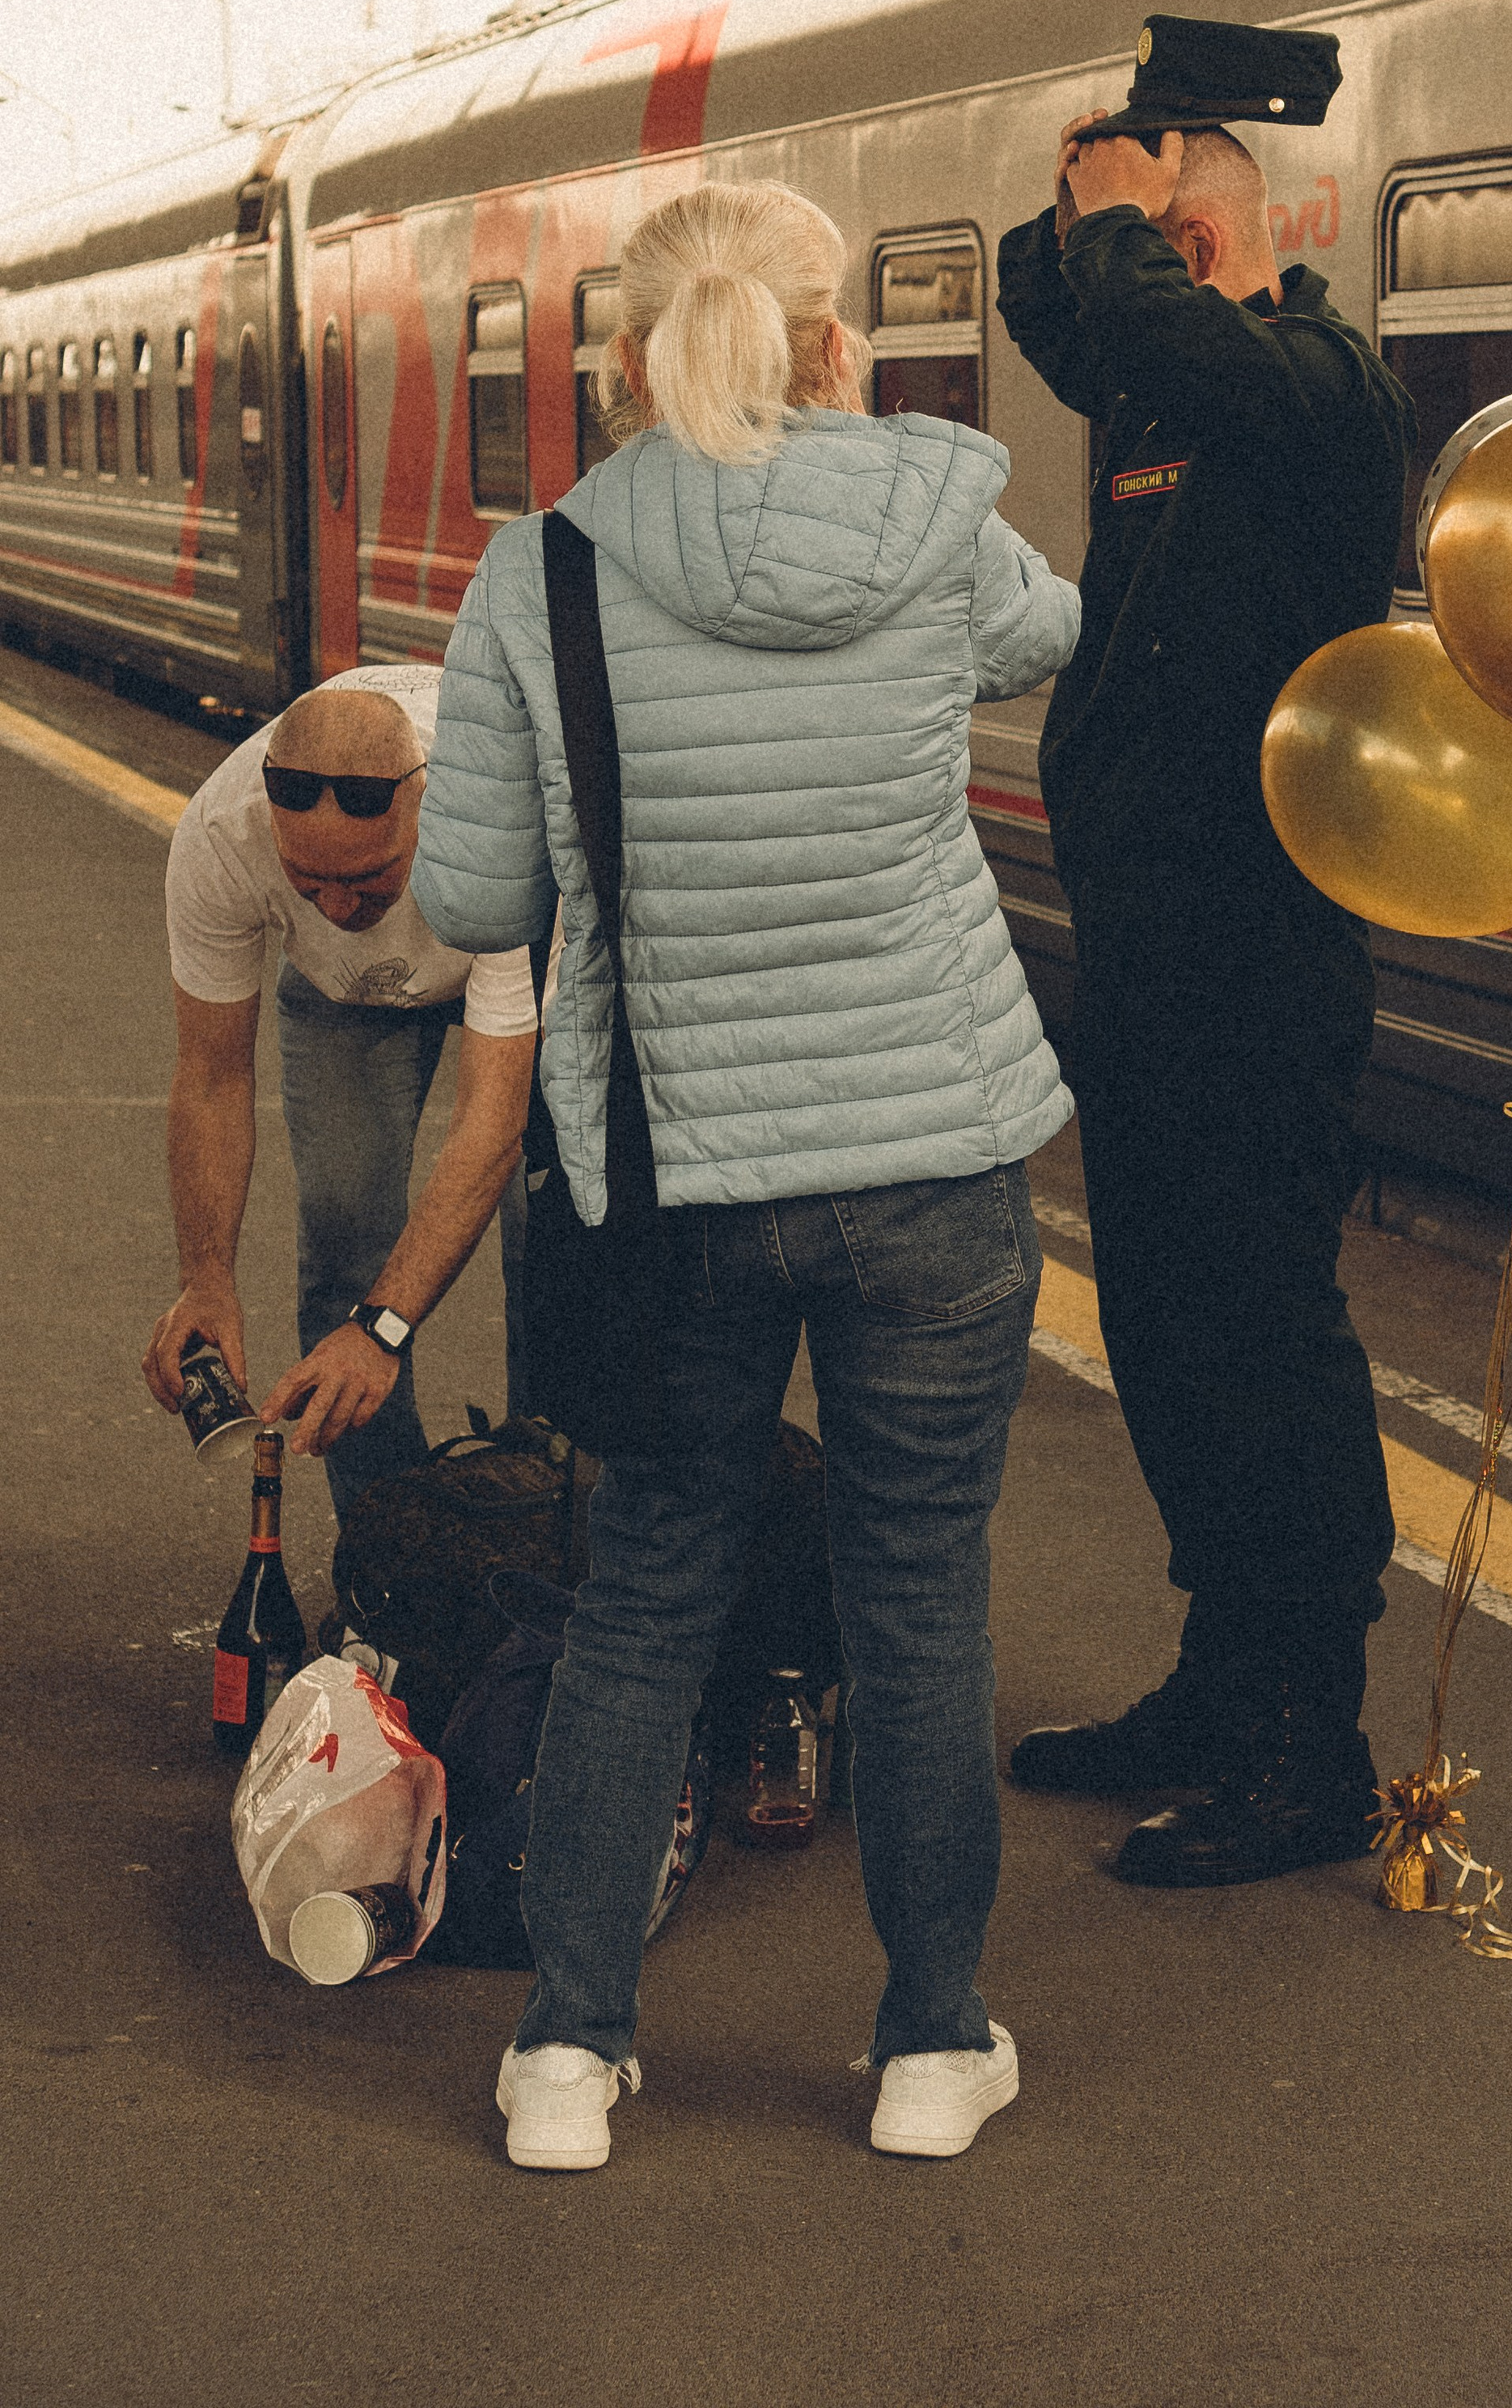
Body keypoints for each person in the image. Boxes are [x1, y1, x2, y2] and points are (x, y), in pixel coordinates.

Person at [410, 176, 1078, 2173]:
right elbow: (1046, 632)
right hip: (933, 1155)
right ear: (824, 339)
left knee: (644, 1596)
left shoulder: (538, 577)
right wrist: (857, 450)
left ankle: (566, 2053)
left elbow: (467, 894)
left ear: (618, 355)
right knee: (915, 1600)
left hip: (676, 1179)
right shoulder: (933, 522)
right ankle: (929, 2050)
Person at [994, 13, 1416, 1889]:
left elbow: (1138, 314)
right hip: (1154, 941)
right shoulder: (1164, 394)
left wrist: (1135, 222)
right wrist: (1085, 177)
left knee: (1257, 1333)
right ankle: (1210, 1674)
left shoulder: (1312, 382)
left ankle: (1302, 1737)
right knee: (1164, 1324)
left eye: (1155, 241)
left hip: (1262, 948)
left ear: (1214, 243)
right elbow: (1056, 310)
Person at [141, 667, 538, 1511]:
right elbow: (212, 1076)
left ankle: (552, 1512)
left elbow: (492, 1125)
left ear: (423, 807)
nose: (332, 904)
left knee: (554, 1249)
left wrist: (387, 1327)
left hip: (511, 962)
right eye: (306, 879)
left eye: (366, 879)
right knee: (344, 1251)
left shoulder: (504, 818)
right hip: (342, 999)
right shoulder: (220, 833)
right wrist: (205, 1279)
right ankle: (390, 1546)